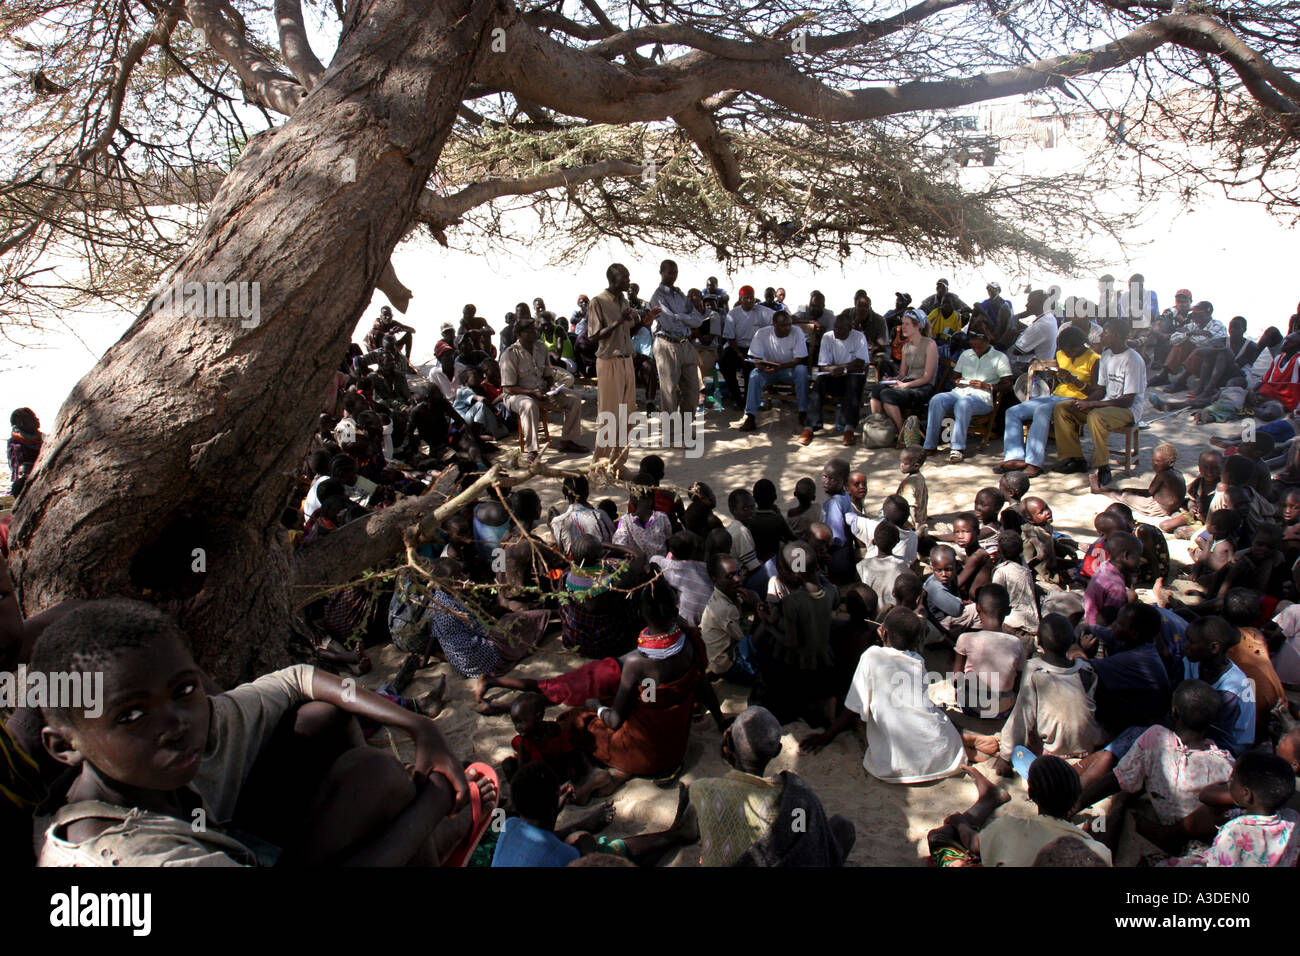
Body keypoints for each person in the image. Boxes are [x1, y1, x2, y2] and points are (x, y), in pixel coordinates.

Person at [32, 599, 493, 867]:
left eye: (184, 689)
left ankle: (421, 837)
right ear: (63, 746)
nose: (175, 724)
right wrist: (432, 801)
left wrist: (419, 727)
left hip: (239, 842)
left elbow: (298, 678)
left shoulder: (164, 754)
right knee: (392, 786)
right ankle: (429, 838)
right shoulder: (138, 859)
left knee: (325, 722)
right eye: (130, 716)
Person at [561, 578, 722, 787]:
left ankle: (609, 772)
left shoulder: (637, 663)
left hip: (644, 755)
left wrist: (597, 707)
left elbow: (614, 721)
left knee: (572, 720)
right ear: (674, 611)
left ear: (640, 614)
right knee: (643, 691)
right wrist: (720, 720)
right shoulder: (690, 644)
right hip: (676, 749)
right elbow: (702, 687)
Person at [807, 608, 965, 784]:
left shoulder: (871, 655)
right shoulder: (918, 661)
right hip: (943, 752)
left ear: (883, 632)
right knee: (935, 715)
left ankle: (969, 742)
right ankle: (969, 744)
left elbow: (853, 707)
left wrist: (826, 736)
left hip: (898, 766)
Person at [691, 706, 854, 866]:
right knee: (843, 828)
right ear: (777, 751)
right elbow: (804, 840)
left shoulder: (701, 790)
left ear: (728, 739)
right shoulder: (798, 799)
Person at [994, 614, 1106, 775]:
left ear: (1038, 641)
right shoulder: (1085, 669)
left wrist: (1005, 757)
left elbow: (1021, 718)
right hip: (1086, 748)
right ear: (1071, 642)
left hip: (1052, 751)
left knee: (1022, 746)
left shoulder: (1035, 671)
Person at [1052, 317, 1147, 491]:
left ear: (1117, 335)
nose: (1101, 336)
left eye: (1106, 333)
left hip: (1128, 410)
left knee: (1096, 415)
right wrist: (1084, 402)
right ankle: (1074, 459)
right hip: (1106, 404)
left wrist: (1092, 405)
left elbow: (1127, 400)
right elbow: (1100, 390)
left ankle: (1103, 466)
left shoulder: (1133, 360)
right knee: (1062, 408)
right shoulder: (1107, 356)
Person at [1161, 752, 1298, 867]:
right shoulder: (1293, 819)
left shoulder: (1235, 830)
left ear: (1246, 794)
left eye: (1232, 779)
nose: (1228, 781)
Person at [999, 325, 1099, 477]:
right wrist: (1059, 376)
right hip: (1055, 396)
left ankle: (1034, 463)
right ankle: (1015, 457)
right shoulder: (1061, 354)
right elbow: (1060, 382)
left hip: (1076, 400)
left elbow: (1096, 391)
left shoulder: (1094, 359)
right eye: (1064, 349)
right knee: (1013, 411)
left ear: (1080, 346)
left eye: (1070, 350)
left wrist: (1074, 380)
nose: (1067, 353)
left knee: (1042, 411)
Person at [500, 315, 586, 460]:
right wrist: (532, 392)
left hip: (541, 391)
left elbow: (548, 373)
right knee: (528, 405)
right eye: (531, 330)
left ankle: (567, 441)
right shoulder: (510, 354)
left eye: (534, 328)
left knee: (574, 398)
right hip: (517, 395)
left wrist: (553, 387)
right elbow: (508, 388)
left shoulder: (541, 347)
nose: (535, 332)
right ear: (520, 334)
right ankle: (532, 450)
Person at [923, 325, 1012, 464]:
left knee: (963, 404)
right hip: (960, 392)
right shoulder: (966, 354)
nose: (976, 350)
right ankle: (930, 445)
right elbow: (955, 377)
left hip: (982, 398)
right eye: (973, 346)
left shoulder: (1000, 358)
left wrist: (987, 385)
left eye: (979, 347)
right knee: (937, 399)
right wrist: (957, 381)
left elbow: (1007, 385)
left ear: (987, 341)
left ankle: (957, 448)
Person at [584, 262, 642, 465]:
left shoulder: (624, 301)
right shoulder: (597, 302)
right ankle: (599, 467)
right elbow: (593, 336)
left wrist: (645, 322)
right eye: (624, 277)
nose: (628, 281)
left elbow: (629, 331)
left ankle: (618, 464)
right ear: (612, 279)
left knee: (628, 418)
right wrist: (617, 321)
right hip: (609, 362)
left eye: (628, 277)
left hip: (627, 362)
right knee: (609, 417)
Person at [953, 585, 1025, 718]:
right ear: (1008, 611)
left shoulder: (966, 638)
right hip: (1002, 710)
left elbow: (956, 679)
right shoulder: (1017, 644)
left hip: (971, 707)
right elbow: (1018, 683)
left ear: (977, 608)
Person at [647, 259, 704, 416]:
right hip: (667, 344)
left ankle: (686, 426)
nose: (673, 276)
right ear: (662, 272)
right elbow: (670, 323)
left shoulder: (680, 294)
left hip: (685, 344)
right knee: (669, 391)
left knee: (693, 390)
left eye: (676, 272)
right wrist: (685, 318)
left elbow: (698, 320)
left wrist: (679, 316)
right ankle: (671, 432)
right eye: (670, 272)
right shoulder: (657, 297)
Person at [739, 311, 811, 435]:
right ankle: (750, 416)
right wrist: (761, 366)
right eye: (783, 325)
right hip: (769, 371)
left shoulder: (796, 331)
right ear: (774, 324)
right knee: (754, 375)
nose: (788, 328)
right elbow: (755, 358)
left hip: (788, 369)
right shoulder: (762, 333)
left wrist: (781, 366)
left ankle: (803, 412)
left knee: (802, 370)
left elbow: (799, 359)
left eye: (789, 324)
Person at [808, 310, 870, 446]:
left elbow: (860, 363)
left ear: (850, 328)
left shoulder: (859, 337)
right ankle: (811, 426)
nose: (837, 331)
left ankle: (849, 428)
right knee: (819, 382)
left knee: (853, 382)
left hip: (851, 376)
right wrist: (834, 369)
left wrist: (842, 368)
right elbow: (823, 366)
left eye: (841, 329)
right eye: (835, 327)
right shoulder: (827, 337)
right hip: (833, 376)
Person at [869, 312, 938, 434]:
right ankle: (880, 427)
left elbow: (927, 377)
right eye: (903, 324)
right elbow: (902, 374)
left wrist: (905, 385)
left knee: (887, 395)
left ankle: (902, 432)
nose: (903, 327)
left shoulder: (930, 344)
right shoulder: (906, 346)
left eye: (907, 324)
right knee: (876, 389)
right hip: (908, 382)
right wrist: (892, 379)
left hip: (923, 387)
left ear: (918, 326)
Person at [700, 554, 761, 680]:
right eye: (730, 576)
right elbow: (745, 638)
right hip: (727, 665)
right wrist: (756, 604)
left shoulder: (728, 594)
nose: (738, 579)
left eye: (739, 572)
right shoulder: (725, 609)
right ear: (715, 579)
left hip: (723, 653)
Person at [720, 285, 775, 409]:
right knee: (724, 363)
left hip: (754, 349)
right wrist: (739, 353)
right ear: (741, 299)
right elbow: (730, 337)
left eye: (751, 298)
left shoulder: (762, 311)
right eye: (746, 298)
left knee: (750, 369)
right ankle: (736, 397)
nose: (749, 301)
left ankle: (747, 401)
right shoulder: (733, 314)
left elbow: (777, 316)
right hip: (736, 347)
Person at [549, 475, 614, 557]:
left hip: (573, 568)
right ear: (587, 492)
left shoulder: (557, 522)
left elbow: (561, 552)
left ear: (564, 493)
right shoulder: (599, 515)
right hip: (603, 565)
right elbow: (613, 542)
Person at [8, 407, 43, 498]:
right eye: (33, 417)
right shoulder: (15, 442)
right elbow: (16, 467)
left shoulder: (43, 439)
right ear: (22, 423)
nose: (37, 419)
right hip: (26, 481)